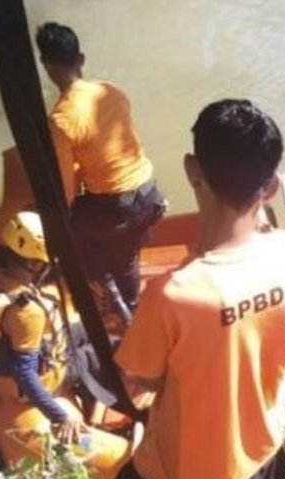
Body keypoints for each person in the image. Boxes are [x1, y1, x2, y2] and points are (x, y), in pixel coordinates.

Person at [81, 99, 285, 479]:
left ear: (191, 170)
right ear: (270, 187)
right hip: (259, 437)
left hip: (182, 464)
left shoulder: (175, 294)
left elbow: (137, 383)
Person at [0, 212, 131, 479]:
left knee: (115, 348)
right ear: (33, 263)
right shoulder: (25, 313)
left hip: (28, 376)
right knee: (125, 464)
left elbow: (55, 338)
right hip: (30, 403)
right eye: (41, 265)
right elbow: (25, 374)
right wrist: (60, 416)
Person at [35, 22, 166, 330]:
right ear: (80, 59)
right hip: (149, 191)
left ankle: (115, 303)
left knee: (75, 234)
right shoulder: (110, 91)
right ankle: (128, 295)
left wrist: (61, 219)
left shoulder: (62, 119)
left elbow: (66, 185)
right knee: (126, 253)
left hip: (118, 207)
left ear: (47, 66)